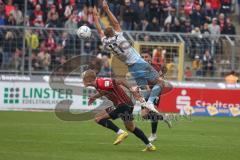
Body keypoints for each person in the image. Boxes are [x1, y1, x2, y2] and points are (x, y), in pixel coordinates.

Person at [92, 0, 163, 113]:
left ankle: (143, 102)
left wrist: (95, 15)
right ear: (113, 32)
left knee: (145, 87)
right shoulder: (118, 37)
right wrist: (107, 9)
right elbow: (116, 23)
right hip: (139, 63)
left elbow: (99, 29)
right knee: (160, 82)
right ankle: (149, 102)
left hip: (131, 68)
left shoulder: (105, 42)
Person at [83, 69, 156, 151]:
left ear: (89, 79)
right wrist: (94, 97)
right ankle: (150, 146)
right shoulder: (98, 85)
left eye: (84, 79)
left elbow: (120, 81)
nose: (83, 81)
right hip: (125, 105)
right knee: (131, 127)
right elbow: (104, 92)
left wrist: (131, 89)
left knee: (98, 119)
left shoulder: (102, 82)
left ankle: (121, 132)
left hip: (122, 105)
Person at [140, 52, 172, 142]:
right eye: (142, 57)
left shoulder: (156, 67)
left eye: (146, 56)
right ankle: (164, 117)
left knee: (150, 112)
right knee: (144, 115)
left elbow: (161, 80)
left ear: (150, 57)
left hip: (154, 92)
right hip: (146, 92)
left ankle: (153, 135)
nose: (144, 58)